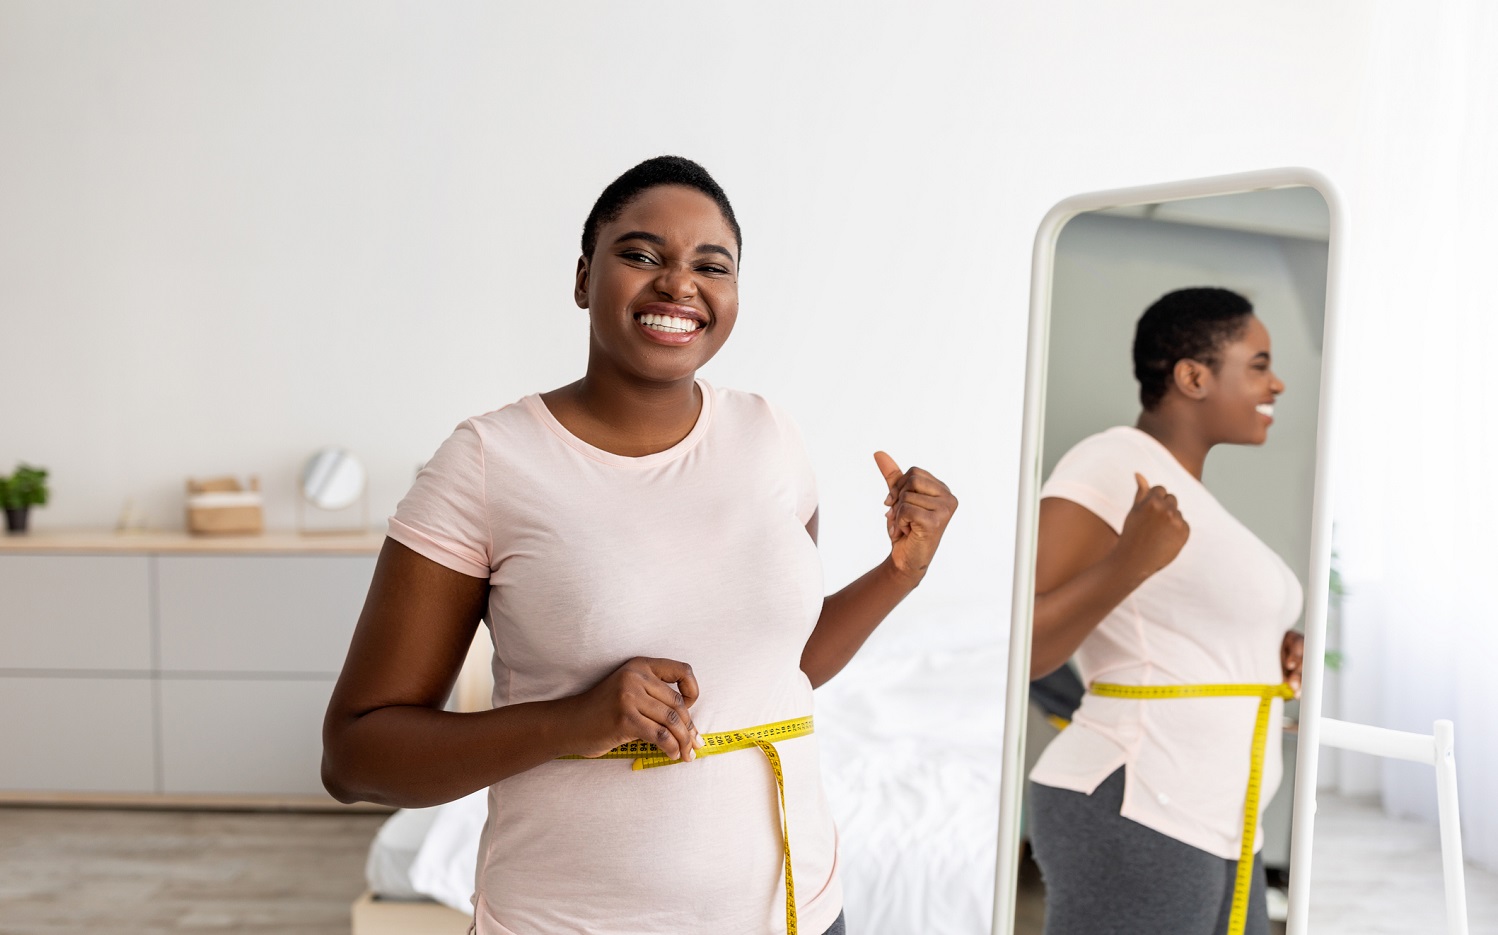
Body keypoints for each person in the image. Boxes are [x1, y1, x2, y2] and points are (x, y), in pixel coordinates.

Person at [320, 155, 958, 935]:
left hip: (798, 913)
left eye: (710, 265)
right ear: (585, 278)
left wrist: (900, 574)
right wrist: (574, 721)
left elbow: (781, 667)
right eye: (643, 255)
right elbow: (355, 755)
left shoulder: (770, 436)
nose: (679, 284)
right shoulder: (489, 462)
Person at [1026, 287, 1305, 935]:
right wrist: (1130, 561)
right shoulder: (1109, 463)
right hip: (1140, 798)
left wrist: (1268, 645)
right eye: (1259, 363)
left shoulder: (1186, 491)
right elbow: (1028, 646)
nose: (1278, 382)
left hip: (1216, 812)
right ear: (1193, 376)